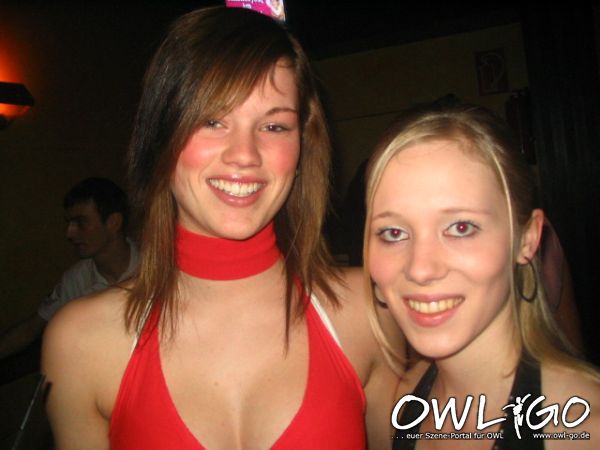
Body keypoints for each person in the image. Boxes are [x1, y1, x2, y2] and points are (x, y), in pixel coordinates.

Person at [42, 7, 400, 449]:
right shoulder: (80, 343)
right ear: (161, 135)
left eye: (274, 125)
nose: (244, 154)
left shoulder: (368, 311)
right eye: (212, 121)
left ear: (302, 146)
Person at [363, 102, 600, 449]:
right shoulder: (398, 410)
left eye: (461, 227)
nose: (420, 269)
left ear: (527, 239)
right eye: (394, 233)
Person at [0, 177, 138, 359]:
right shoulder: (76, 279)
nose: (70, 233)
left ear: (114, 223)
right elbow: (32, 328)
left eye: (81, 222)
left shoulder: (157, 264)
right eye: (70, 223)